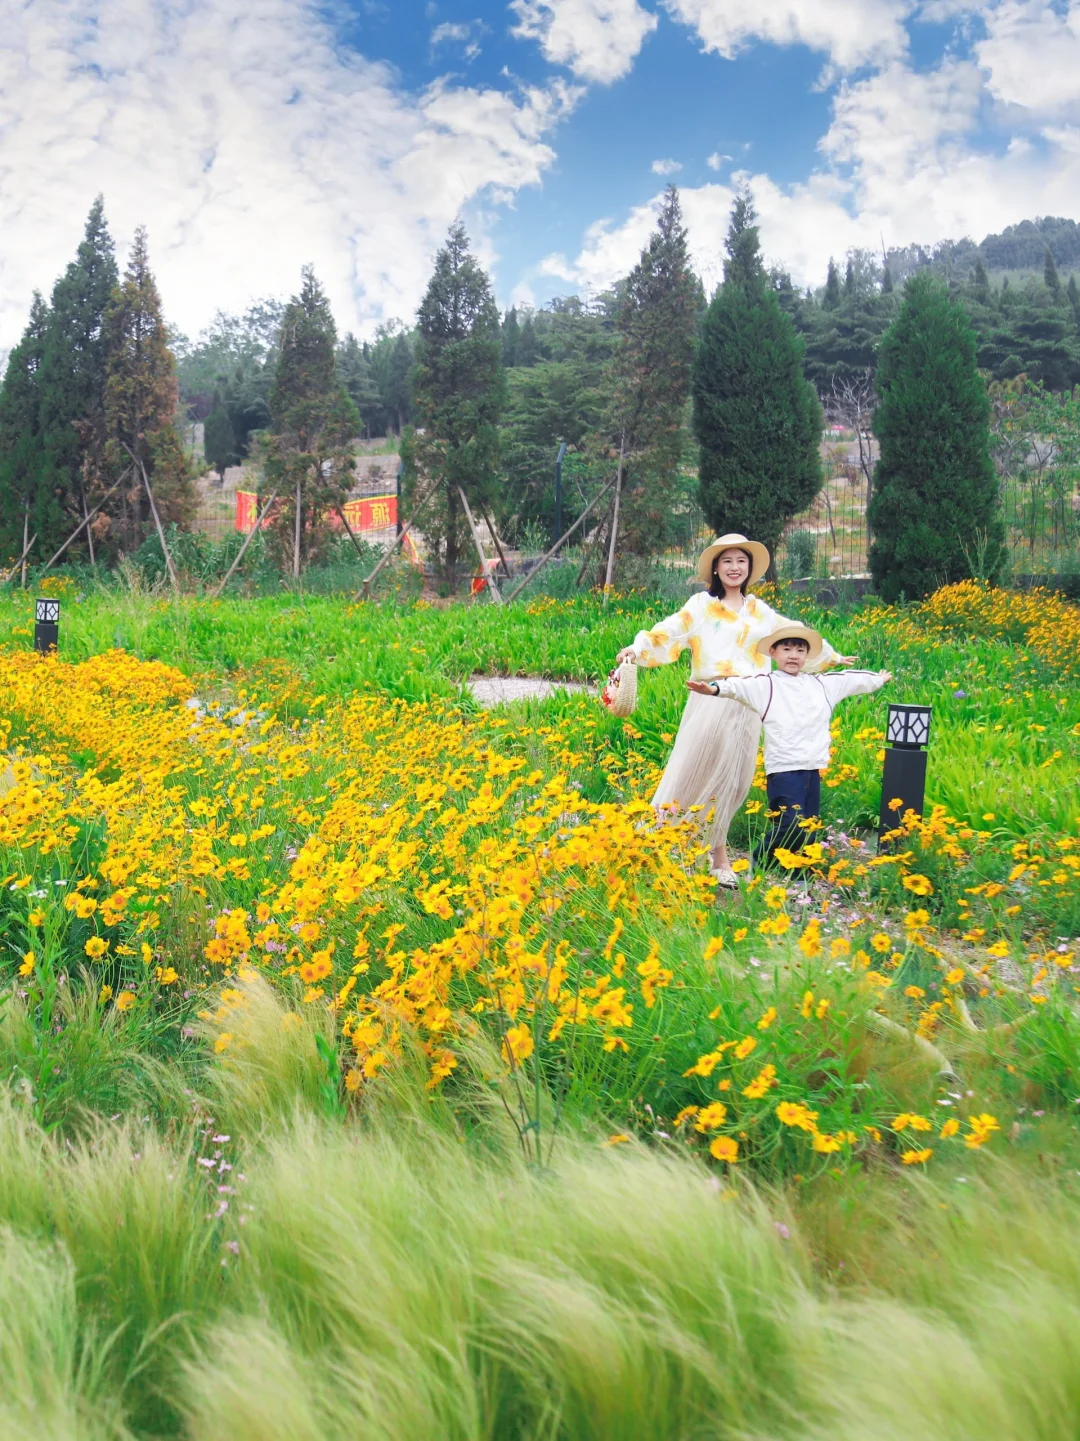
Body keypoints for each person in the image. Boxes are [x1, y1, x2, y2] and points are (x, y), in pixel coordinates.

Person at [615, 534, 856, 888]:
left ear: (749, 568)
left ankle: (717, 856)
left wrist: (831, 657)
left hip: (748, 703)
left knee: (733, 781)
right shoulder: (700, 606)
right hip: (710, 700)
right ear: (716, 567)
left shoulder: (760, 612)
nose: (734, 568)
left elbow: (795, 635)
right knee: (692, 772)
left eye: (741, 561)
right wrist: (636, 649)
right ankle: (669, 844)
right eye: (727, 561)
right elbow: (667, 632)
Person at [689, 622, 890, 865]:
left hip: (812, 767)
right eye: (786, 649)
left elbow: (851, 680)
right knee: (790, 823)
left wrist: (877, 680)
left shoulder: (821, 685)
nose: (793, 655)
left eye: (799, 650)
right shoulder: (766, 684)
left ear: (807, 656)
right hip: (783, 769)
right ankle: (758, 860)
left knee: (809, 827)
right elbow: (737, 687)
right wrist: (714, 689)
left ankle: (794, 872)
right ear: (773, 653)